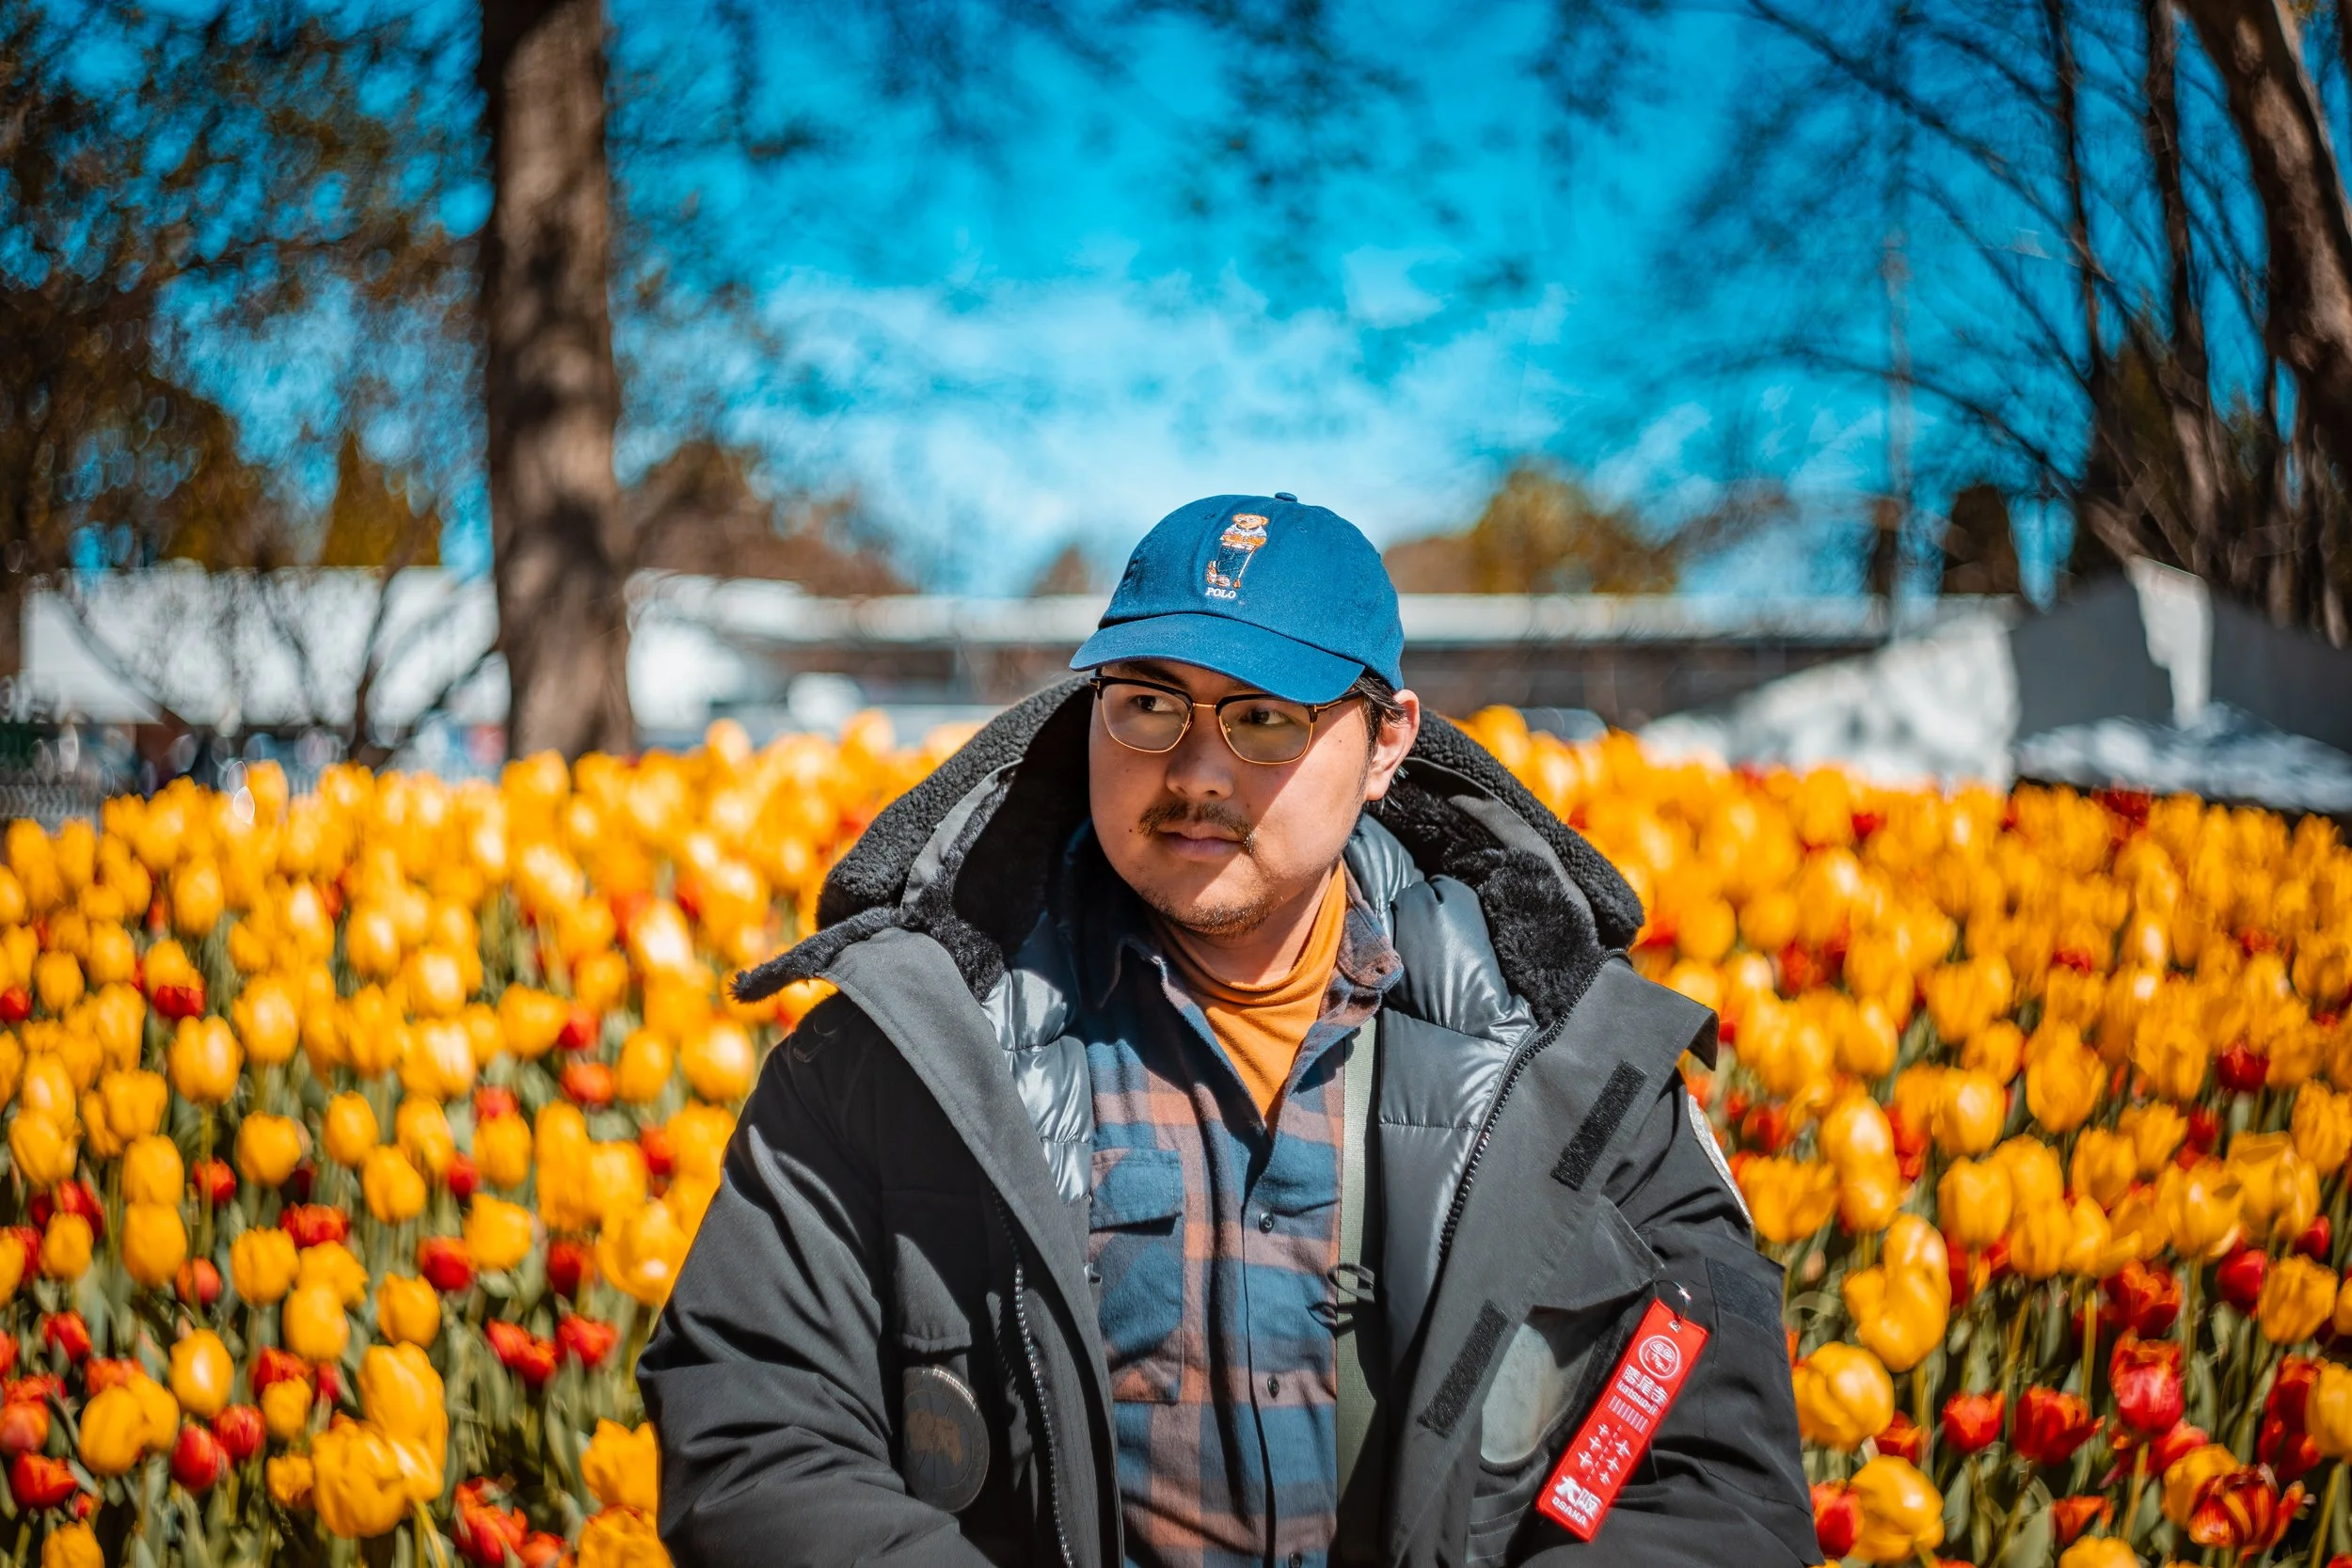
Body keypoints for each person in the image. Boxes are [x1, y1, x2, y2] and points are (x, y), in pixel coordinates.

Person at [638, 495, 1813, 1568]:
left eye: (1263, 717)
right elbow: (754, 1432)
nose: (1195, 771)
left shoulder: (1573, 1069)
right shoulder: (902, 1049)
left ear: (1388, 741)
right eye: (1148, 703)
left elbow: (1717, 1486)